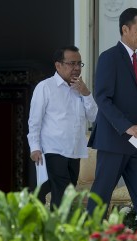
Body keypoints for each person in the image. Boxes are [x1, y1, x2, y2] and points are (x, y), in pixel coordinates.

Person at [87, 8, 137, 228]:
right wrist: (126, 126)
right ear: (125, 29)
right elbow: (102, 98)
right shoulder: (109, 58)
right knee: (101, 194)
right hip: (113, 140)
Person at [27, 45, 97, 209]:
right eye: (72, 63)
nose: (77, 68)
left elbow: (94, 117)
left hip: (75, 150)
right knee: (62, 192)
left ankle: (53, 226)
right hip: (53, 150)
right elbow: (34, 121)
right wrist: (35, 147)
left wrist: (86, 94)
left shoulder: (80, 88)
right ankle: (59, 229)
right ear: (58, 65)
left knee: (66, 194)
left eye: (79, 64)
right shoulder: (45, 87)